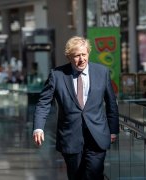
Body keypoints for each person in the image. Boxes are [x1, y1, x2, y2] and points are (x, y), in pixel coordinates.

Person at [33, 36, 119, 180]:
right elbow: (43, 103)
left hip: (97, 135)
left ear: (88, 53)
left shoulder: (102, 72)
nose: (81, 59)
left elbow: (111, 103)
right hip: (70, 136)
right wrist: (38, 127)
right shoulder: (57, 75)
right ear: (69, 57)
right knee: (76, 176)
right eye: (77, 56)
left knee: (94, 174)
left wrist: (113, 130)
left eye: (84, 55)